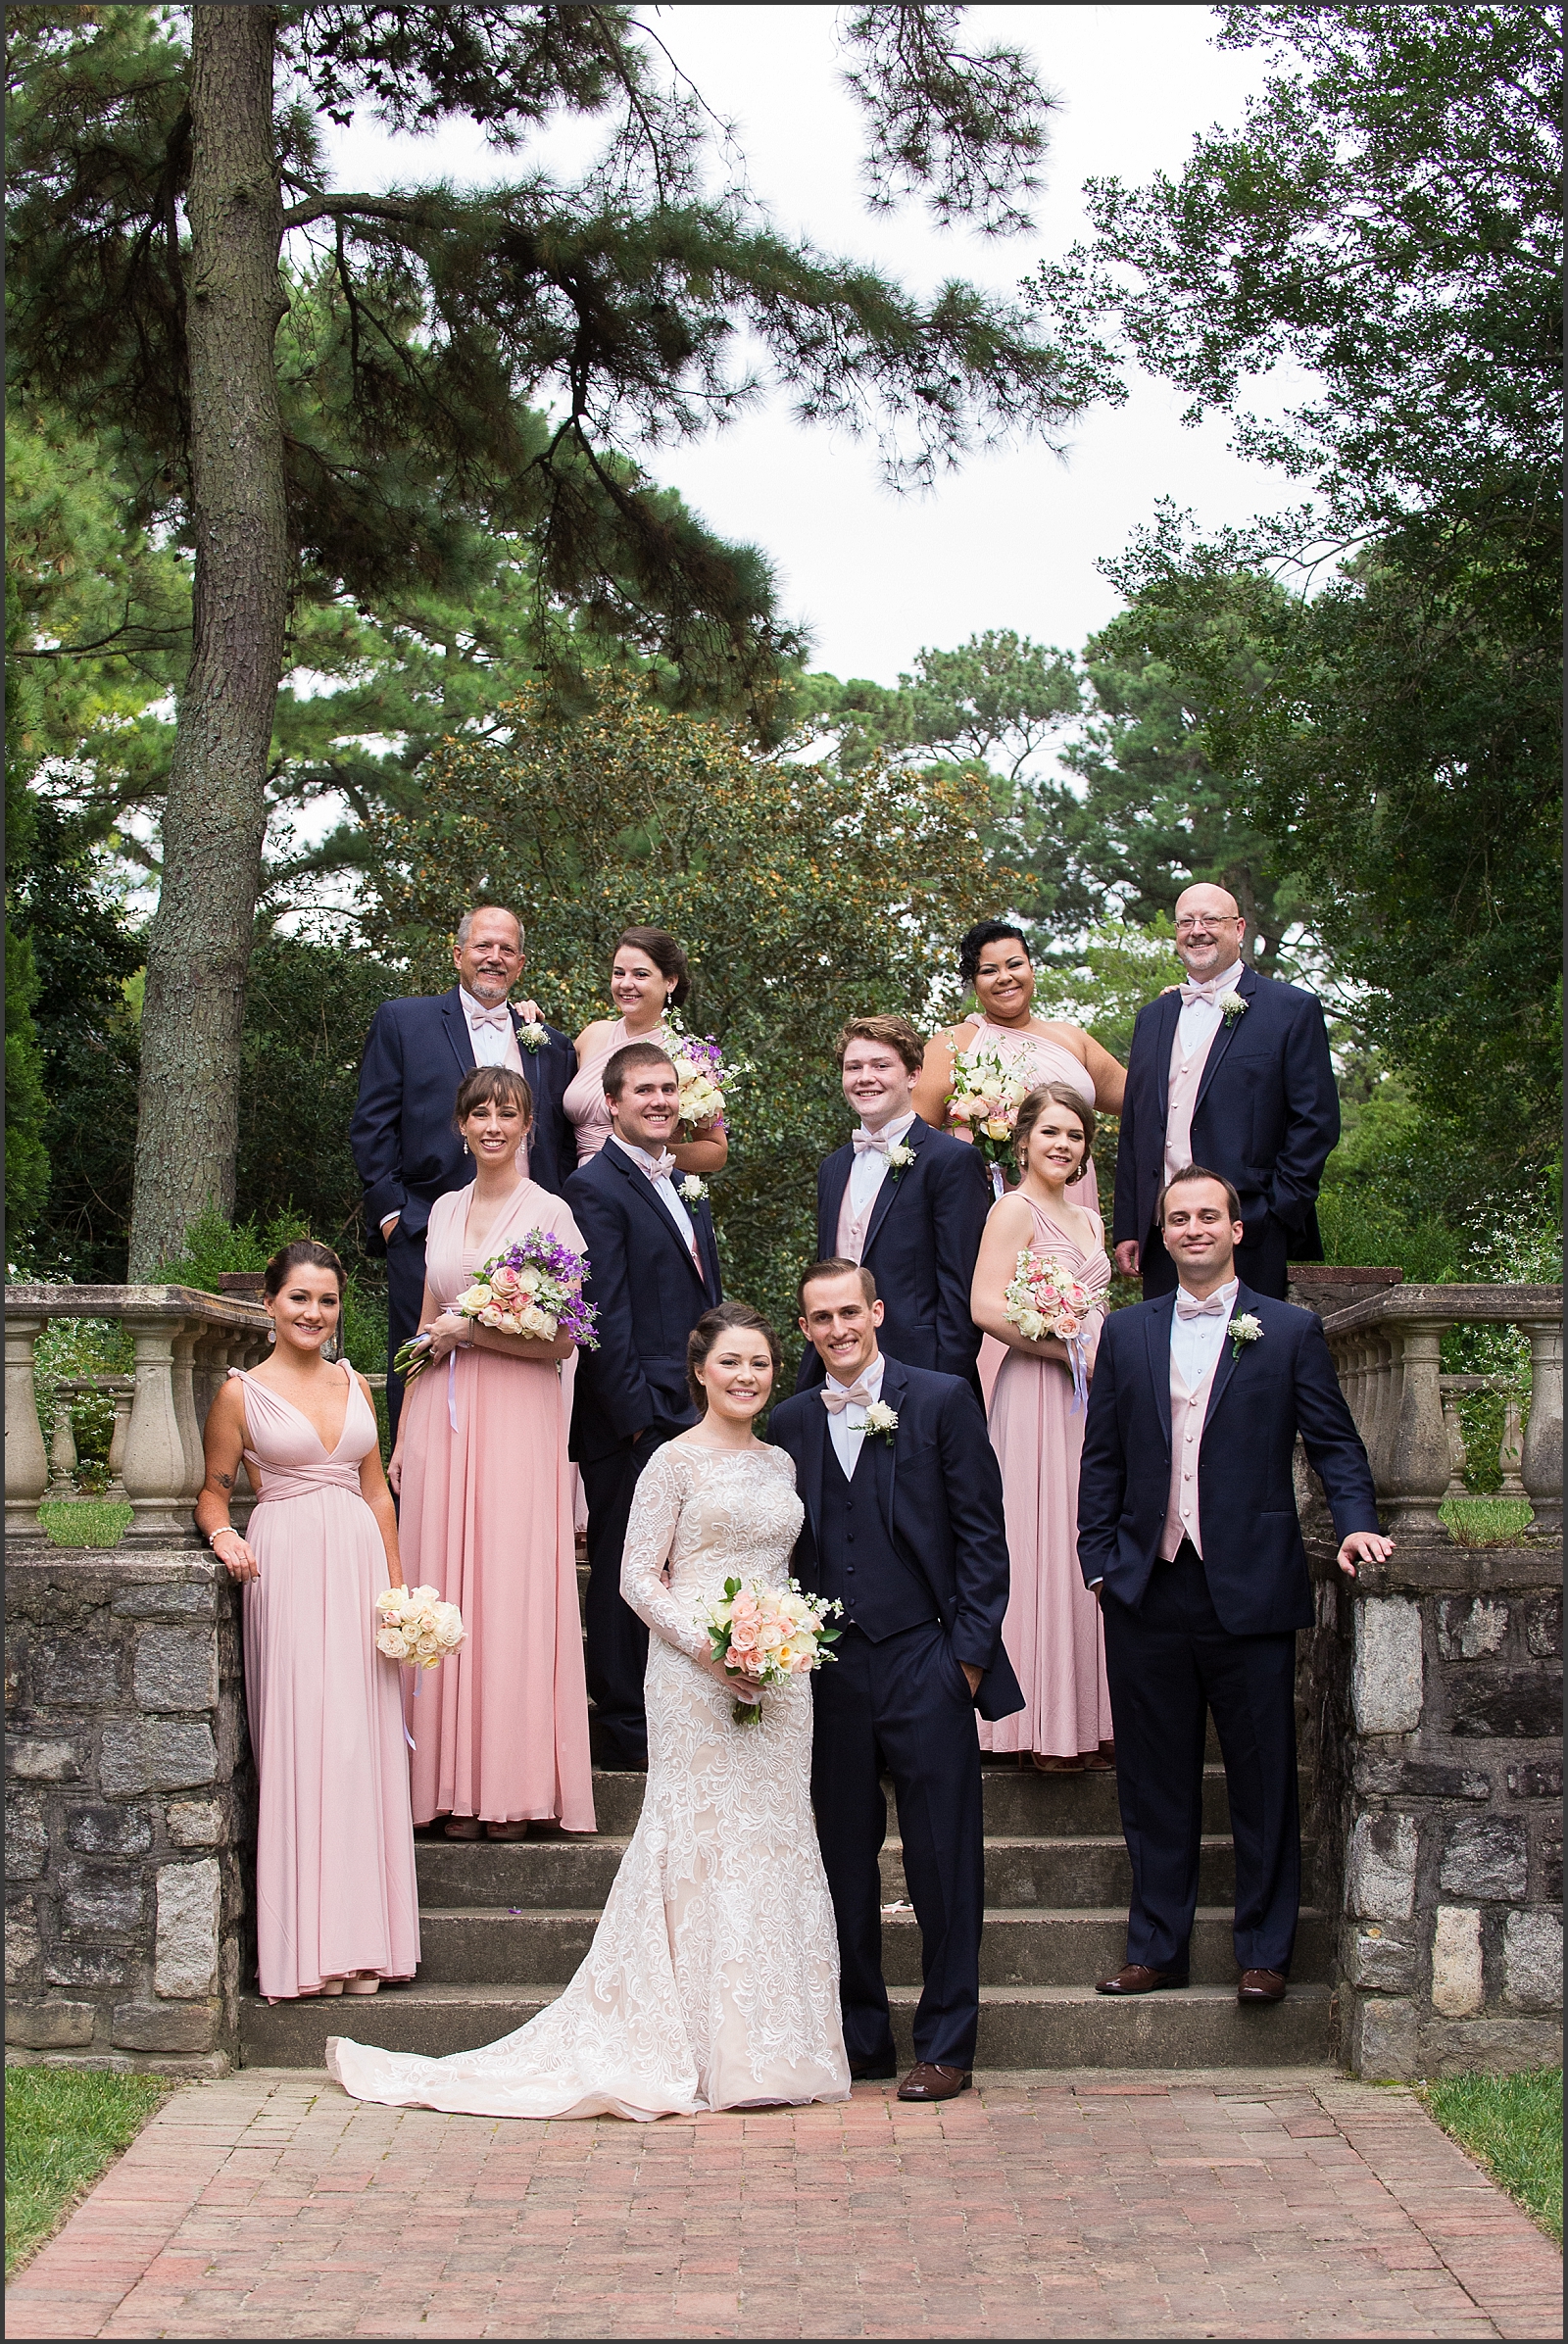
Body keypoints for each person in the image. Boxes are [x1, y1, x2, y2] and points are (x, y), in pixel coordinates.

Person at [326, 1302, 850, 2119]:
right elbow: (639, 1577)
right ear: (700, 1372)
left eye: (760, 1364)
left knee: (773, 1838)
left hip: (781, 1680)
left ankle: (775, 2049)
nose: (747, 1378)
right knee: (700, 1839)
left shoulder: (782, 1465)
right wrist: (712, 1650)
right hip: (692, 1673)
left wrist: (782, 1644)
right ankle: (698, 2047)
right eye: (731, 1363)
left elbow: (786, 1571)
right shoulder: (671, 1462)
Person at [1077, 1165, 1392, 2005]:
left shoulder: (1287, 1330)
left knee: (1261, 1777)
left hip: (1249, 1587)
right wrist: (1099, 1560)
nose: (1192, 1229)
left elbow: (1334, 1442)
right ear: (1164, 1234)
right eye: (1177, 1218)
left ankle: (1264, 1952)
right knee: (1153, 1781)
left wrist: (1355, 1519)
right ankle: (1157, 1948)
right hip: (1146, 1587)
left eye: (1207, 1216)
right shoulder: (1127, 1332)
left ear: (1236, 1229)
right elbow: (1101, 1457)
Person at [769, 1260, 1024, 2102]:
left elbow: (984, 1537)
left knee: (943, 1860)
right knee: (841, 1860)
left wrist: (968, 1660)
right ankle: (860, 2037)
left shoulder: (943, 1398)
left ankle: (947, 2044)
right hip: (831, 1668)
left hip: (926, 1656)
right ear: (804, 1328)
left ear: (877, 1311)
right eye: (820, 1318)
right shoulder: (792, 1422)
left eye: (850, 1311)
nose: (838, 1329)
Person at [198, 1241, 419, 2004]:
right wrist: (225, 1536)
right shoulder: (239, 1393)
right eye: (299, 1298)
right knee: (305, 1744)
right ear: (269, 1303)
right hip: (287, 1565)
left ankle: (367, 1948)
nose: (313, 1313)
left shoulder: (356, 1381)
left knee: (361, 1748)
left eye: (326, 1301)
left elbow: (379, 1494)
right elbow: (214, 1494)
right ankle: (307, 1952)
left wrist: (398, 1593)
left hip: (360, 1569)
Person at [388, 1065, 595, 1840]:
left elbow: (564, 1341)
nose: (493, 1125)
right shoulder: (442, 1209)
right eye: (479, 1113)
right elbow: (424, 1321)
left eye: (507, 1112)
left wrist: (471, 1333)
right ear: (462, 1126)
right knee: (443, 1590)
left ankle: (506, 1787)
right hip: (441, 1419)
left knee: (507, 1592)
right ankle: (442, 1785)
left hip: (515, 1417)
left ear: (529, 1125)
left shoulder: (553, 1216)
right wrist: (405, 1429)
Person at [351, 903, 577, 1437]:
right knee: (421, 1363)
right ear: (458, 954)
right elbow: (371, 1126)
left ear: (520, 963)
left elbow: (561, 1146)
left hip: (528, 1239)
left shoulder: (549, 1044)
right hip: (429, 1227)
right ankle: (416, 1501)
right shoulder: (404, 1021)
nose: (493, 958)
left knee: (522, 1366)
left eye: (506, 950)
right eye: (483, 946)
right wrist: (394, 1217)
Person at [565, 1042, 722, 1769]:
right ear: (615, 1105)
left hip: (688, 1408)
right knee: (629, 1568)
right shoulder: (594, 1187)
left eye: (669, 1089)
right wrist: (635, 1423)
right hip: (635, 1419)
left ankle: (675, 1705)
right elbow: (602, 1316)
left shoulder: (681, 1180)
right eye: (644, 1091)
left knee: (677, 1566)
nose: (660, 1101)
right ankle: (625, 1724)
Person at [969, 1085, 1114, 1772]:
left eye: (1076, 1135)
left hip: (1089, 1401)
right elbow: (985, 1306)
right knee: (1035, 1542)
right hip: (1034, 1390)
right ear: (1022, 1139)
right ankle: (1028, 1724)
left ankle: (1086, 1716)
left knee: (1084, 1542)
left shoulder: (1089, 1221)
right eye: (1051, 1132)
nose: (1064, 1145)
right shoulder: (1012, 1209)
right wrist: (1061, 1345)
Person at [1112, 883, 1339, 1301]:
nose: (1197, 931)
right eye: (1186, 922)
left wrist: (1276, 1210)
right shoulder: (1152, 1019)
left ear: (1238, 928)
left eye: (1210, 920)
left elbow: (1316, 1122)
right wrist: (1131, 1225)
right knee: (1170, 1362)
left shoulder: (1289, 1009)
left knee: (1250, 1360)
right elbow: (1135, 1128)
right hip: (1166, 1234)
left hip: (1249, 1230)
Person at [798, 1014, 990, 1396]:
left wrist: (945, 1383)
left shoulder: (951, 1160)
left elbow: (960, 1284)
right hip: (835, 1371)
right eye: (853, 1067)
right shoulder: (832, 1168)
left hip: (921, 1370)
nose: (864, 1077)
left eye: (881, 1065)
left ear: (913, 1075)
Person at [913, 920, 1126, 1203]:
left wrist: (1175, 1015)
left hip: (1070, 1194)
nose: (1004, 977)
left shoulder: (1071, 1038)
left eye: (1014, 965)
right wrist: (963, 1161)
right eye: (989, 971)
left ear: (1032, 971)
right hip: (986, 1199)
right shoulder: (951, 1044)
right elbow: (914, 1129)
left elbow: (1144, 1097)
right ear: (974, 984)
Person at [563, 926, 728, 1175]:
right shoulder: (592, 1035)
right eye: (619, 973)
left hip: (642, 1184)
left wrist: (651, 1151)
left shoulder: (689, 1059)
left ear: (670, 982)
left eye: (640, 975)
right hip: (576, 1184)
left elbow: (716, 1152)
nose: (626, 984)